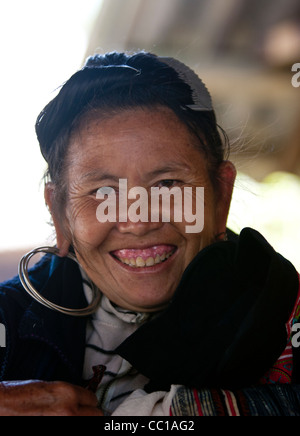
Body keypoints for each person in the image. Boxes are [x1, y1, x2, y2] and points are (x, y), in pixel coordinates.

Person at [0, 51, 300, 416]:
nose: (138, 222)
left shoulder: (284, 309)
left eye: (168, 184)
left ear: (220, 197)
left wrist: (178, 413)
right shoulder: (9, 316)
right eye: (102, 192)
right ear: (59, 214)